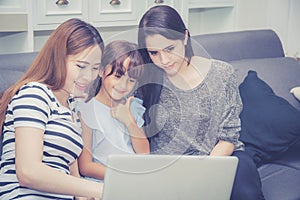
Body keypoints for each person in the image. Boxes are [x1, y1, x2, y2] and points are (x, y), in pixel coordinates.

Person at [137, 5, 265, 200]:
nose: (163, 60)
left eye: (169, 48)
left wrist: (202, 174)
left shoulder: (222, 74)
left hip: (223, 159)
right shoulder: (147, 80)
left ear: (185, 36)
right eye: (154, 53)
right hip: (171, 169)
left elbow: (228, 137)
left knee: (245, 189)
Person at [0, 18, 104, 199]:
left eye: (95, 68)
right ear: (58, 58)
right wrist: (98, 190)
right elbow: (28, 172)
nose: (88, 77)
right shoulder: (34, 94)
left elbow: (74, 180)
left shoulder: (70, 108)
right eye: (81, 66)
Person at [77, 40, 150, 182]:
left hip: (135, 182)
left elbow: (144, 152)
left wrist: (129, 121)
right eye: (118, 75)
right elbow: (85, 166)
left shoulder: (133, 106)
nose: (123, 85)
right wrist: (122, 175)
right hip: (105, 182)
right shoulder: (86, 110)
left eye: (131, 80)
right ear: (101, 70)